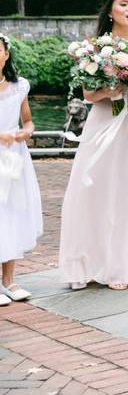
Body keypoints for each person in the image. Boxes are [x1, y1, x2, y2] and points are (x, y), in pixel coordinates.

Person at [58, 0, 128, 291]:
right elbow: (89, 93)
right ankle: (104, 264)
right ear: (111, 10)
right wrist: (112, 88)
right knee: (101, 190)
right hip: (104, 124)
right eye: (125, 4)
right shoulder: (96, 46)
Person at [0, 33, 41, 305]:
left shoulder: (19, 86)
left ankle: (9, 281)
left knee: (11, 212)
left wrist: (25, 133)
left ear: (6, 54)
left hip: (13, 157)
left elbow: (27, 121)